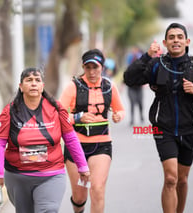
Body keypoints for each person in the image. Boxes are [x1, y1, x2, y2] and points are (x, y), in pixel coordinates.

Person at [124, 23, 193, 213]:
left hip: (189, 129)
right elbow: (129, 79)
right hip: (163, 128)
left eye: (179, 37)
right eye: (172, 37)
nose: (176, 40)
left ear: (186, 41)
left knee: (182, 180)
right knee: (170, 178)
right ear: (165, 42)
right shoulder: (156, 65)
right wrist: (146, 56)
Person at [0, 68, 90, 213]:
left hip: (51, 175)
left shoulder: (56, 109)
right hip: (18, 177)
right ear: (21, 87)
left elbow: (70, 138)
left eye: (37, 80)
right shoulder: (9, 112)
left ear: (42, 86)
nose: (34, 84)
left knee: (48, 210)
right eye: (29, 80)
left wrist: (83, 166)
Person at [59, 48, 125, 213]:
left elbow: (120, 110)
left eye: (95, 67)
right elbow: (57, 116)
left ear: (102, 67)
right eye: (88, 67)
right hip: (75, 145)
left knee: (97, 188)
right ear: (83, 67)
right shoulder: (73, 87)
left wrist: (118, 116)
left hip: (101, 144)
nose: (92, 71)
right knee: (80, 196)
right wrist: (77, 117)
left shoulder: (109, 86)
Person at [125, 47, 144, 125]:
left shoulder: (140, 58)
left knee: (140, 102)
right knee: (132, 102)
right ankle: (132, 119)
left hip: (139, 86)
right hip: (131, 87)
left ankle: (141, 115)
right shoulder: (129, 59)